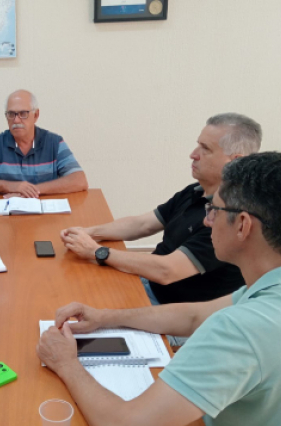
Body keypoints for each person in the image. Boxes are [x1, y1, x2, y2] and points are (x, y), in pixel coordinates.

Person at [38, 152, 281, 426]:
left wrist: (66, 363)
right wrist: (104, 317)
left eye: (214, 210)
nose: (206, 221)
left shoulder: (241, 330)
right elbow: (193, 315)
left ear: (242, 225)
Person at [61, 113, 261, 305]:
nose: (193, 155)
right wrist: (89, 233)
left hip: (173, 312)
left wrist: (97, 252)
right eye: (197, 145)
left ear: (235, 161)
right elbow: (142, 224)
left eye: (205, 149)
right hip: (149, 284)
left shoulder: (230, 217)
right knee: (71, 288)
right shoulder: (197, 190)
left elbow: (168, 271)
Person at [0, 89, 88, 198]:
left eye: (23, 114)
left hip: (46, 216)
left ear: (36, 115)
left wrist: (32, 190)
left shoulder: (54, 143)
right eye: (11, 114)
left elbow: (79, 180)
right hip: (5, 218)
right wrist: (10, 186)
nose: (16, 120)